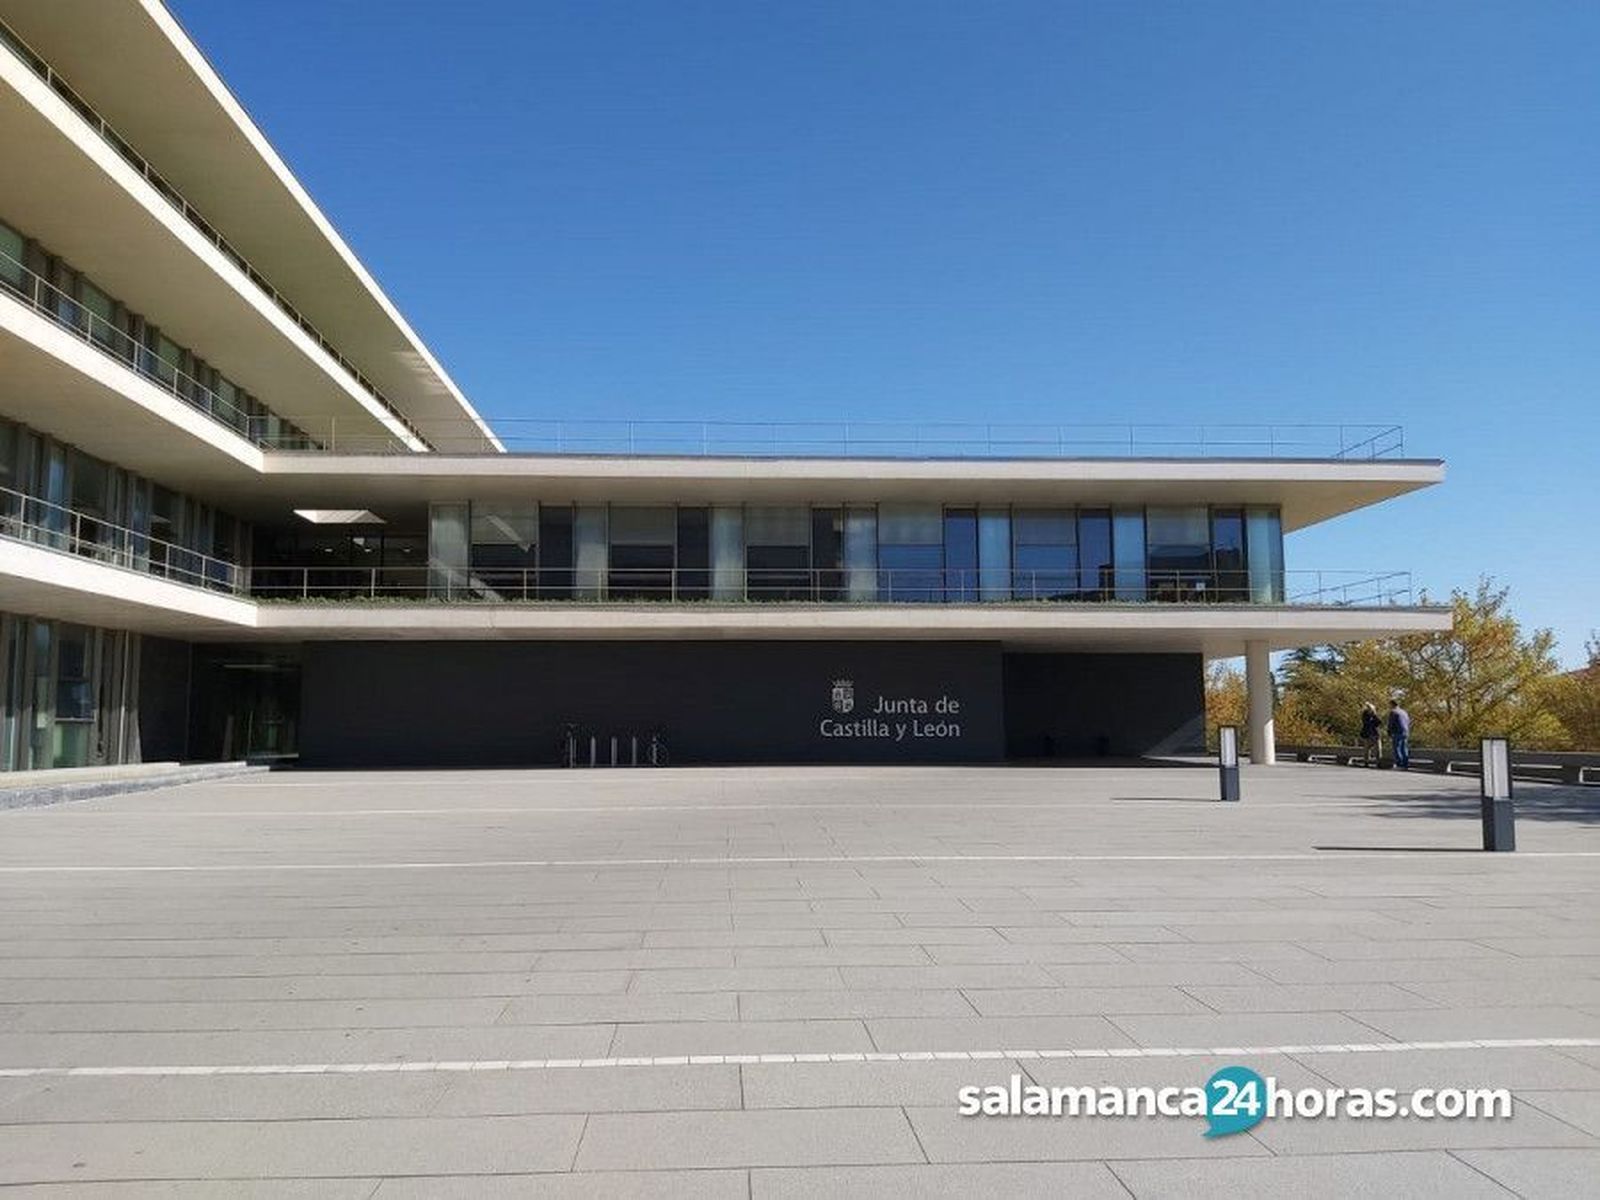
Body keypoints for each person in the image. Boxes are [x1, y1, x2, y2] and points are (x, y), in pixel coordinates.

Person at [1387, 698, 1412, 770]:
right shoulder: (1404, 712)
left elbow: (1391, 723)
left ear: (1392, 704)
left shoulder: (1393, 712)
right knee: (1404, 748)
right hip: (1405, 731)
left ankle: (1399, 764)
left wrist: (1389, 732)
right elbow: (1408, 722)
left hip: (1397, 732)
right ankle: (1405, 764)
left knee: (1397, 748)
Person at [1359, 702, 1382, 767]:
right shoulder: (1365, 715)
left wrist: (1374, 715)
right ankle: (1366, 762)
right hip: (1367, 734)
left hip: (1375, 734)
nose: (1369, 709)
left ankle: (1378, 762)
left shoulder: (1375, 715)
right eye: (1368, 708)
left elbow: (1379, 722)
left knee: (1378, 749)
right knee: (1367, 749)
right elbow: (1366, 723)